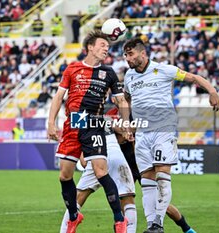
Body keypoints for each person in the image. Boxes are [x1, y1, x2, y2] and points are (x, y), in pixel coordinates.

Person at [123, 38, 219, 233]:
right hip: (142, 134)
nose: (127, 58)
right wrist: (127, 124)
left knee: (162, 175)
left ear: (143, 54)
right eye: (126, 55)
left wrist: (212, 91)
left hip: (163, 129)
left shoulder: (164, 70)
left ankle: (158, 222)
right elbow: (126, 99)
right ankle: (153, 226)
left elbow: (193, 78)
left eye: (131, 54)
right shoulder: (129, 76)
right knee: (147, 181)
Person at [48, 30, 132, 233]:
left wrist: (127, 123)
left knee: (101, 171)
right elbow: (59, 97)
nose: (106, 48)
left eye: (107, 46)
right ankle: (74, 217)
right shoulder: (72, 69)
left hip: (93, 125)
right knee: (64, 176)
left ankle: (120, 220)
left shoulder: (109, 73)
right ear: (90, 48)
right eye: (102, 45)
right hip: (72, 125)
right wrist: (51, 123)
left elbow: (121, 100)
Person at [107, 106, 197, 233]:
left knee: (158, 202)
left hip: (141, 163)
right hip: (124, 165)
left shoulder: (135, 113)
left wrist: (122, 129)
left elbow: (133, 131)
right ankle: (123, 228)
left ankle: (186, 228)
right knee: (124, 201)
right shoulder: (111, 113)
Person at [60, 118, 137, 233]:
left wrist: (83, 155)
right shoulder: (101, 112)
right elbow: (118, 126)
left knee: (77, 199)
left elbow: (82, 157)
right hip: (114, 152)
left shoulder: (78, 115)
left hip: (95, 154)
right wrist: (125, 132)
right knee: (127, 199)